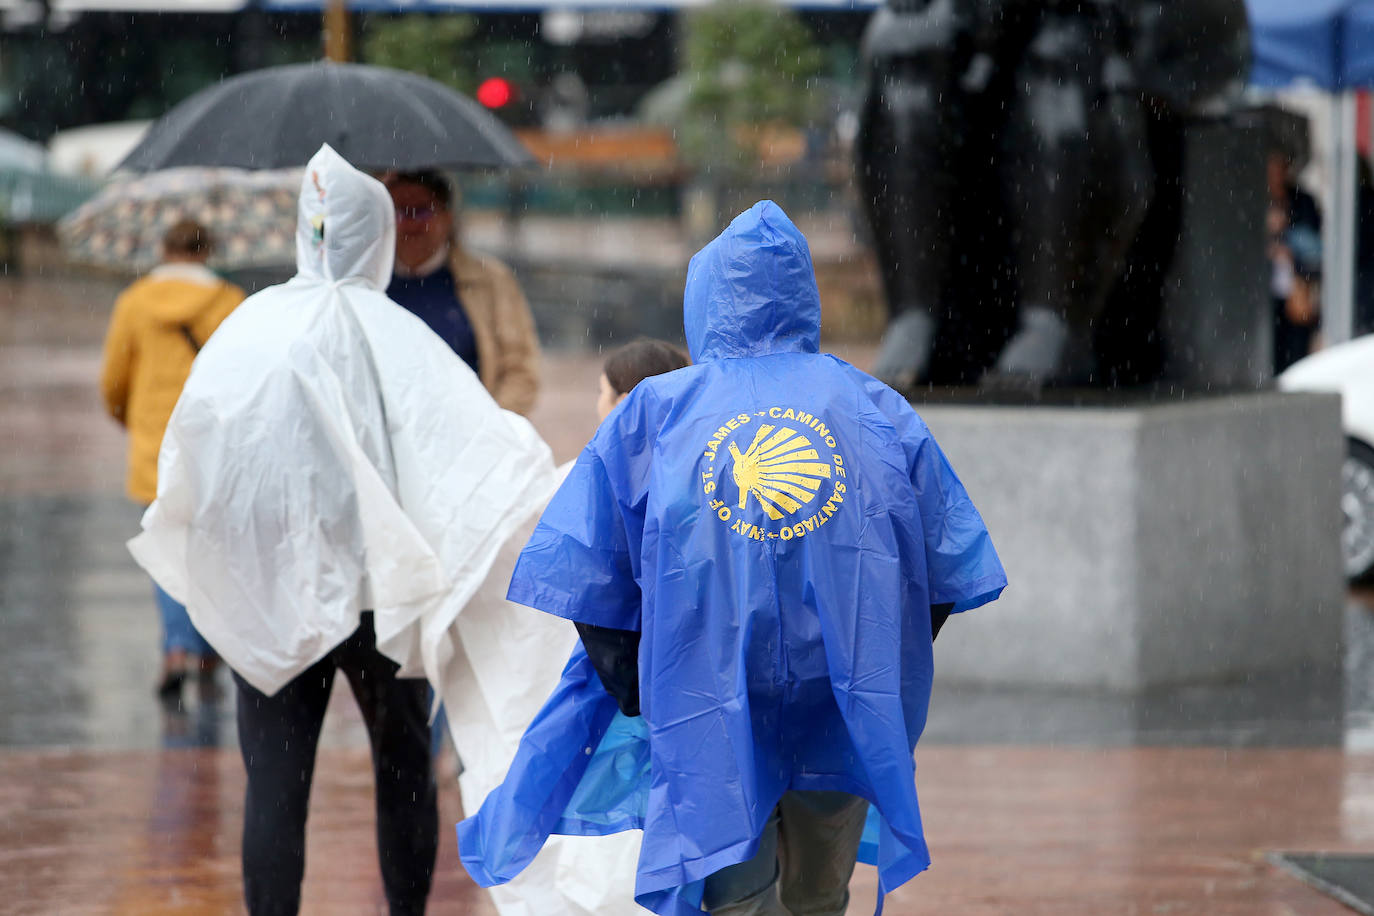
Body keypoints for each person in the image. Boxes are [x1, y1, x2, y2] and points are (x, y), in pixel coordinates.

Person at [458, 201, 1007, 916]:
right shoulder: (874, 407)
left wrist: (643, 689)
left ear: (705, 298)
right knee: (817, 896)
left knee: (733, 895)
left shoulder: (657, 412)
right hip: (840, 703)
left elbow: (589, 569)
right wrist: (876, 658)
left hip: (706, 701)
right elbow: (941, 565)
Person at [129, 145, 560, 916]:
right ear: (378, 237)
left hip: (274, 585)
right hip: (381, 599)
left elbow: (200, 449)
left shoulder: (250, 326)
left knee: (274, 782)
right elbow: (472, 449)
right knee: (402, 769)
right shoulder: (399, 338)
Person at [99, 218, 244, 704]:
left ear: (164, 248)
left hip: (154, 447)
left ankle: (176, 650)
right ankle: (206, 650)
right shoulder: (230, 302)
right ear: (209, 250)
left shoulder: (135, 301)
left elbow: (114, 382)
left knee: (168, 549)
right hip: (213, 447)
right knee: (210, 553)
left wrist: (132, 421)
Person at [382, 169, 541, 415]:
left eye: (421, 210)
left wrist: (490, 428)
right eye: (399, 212)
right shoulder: (365, 283)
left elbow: (520, 370)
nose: (410, 222)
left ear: (446, 218)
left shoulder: (491, 281)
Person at [1268, 148, 1323, 373]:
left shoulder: (1303, 201)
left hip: (1297, 290)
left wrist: (1289, 244)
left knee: (1296, 355)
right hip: (1266, 297)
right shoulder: (1255, 201)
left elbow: (1315, 249)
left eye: (1280, 168)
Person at [597, 338, 691, 421]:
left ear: (623, 404)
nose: (599, 403)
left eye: (601, 391)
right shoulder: (698, 436)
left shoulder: (612, 440)